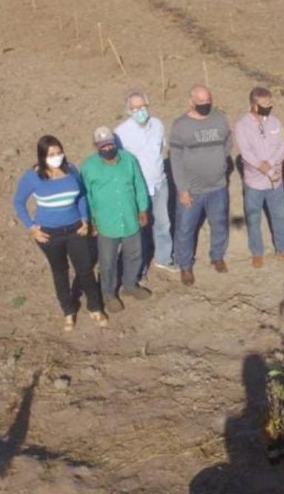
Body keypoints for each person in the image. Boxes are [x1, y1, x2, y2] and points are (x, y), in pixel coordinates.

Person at [13, 135, 107, 331]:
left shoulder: (71, 169)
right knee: (60, 272)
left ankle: (95, 307)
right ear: (42, 156)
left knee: (85, 270)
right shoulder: (33, 176)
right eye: (51, 154)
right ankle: (68, 310)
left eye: (59, 152)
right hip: (49, 234)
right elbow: (19, 202)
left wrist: (84, 218)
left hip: (75, 229)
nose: (56, 157)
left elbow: (81, 195)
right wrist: (31, 227)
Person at [170, 85, 233, 286]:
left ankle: (217, 256)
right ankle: (185, 266)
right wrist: (182, 189)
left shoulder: (219, 118)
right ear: (191, 101)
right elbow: (176, 160)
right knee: (185, 229)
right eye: (201, 102)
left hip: (217, 186)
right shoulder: (181, 125)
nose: (205, 105)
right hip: (192, 190)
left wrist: (219, 164)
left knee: (219, 224)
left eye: (208, 101)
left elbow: (227, 144)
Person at [82, 126, 151, 308]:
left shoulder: (129, 160)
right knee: (108, 261)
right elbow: (87, 195)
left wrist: (142, 209)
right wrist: (92, 220)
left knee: (134, 254)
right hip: (106, 222)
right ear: (96, 146)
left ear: (114, 143)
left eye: (109, 144)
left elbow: (139, 184)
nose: (107, 149)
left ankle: (130, 284)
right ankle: (109, 294)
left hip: (130, 217)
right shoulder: (89, 166)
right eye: (102, 146)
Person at [234, 86, 284, 267]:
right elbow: (247, 154)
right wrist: (267, 170)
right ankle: (257, 252)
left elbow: (281, 146)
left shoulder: (275, 122)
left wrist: (272, 165)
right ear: (254, 105)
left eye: (270, 103)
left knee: (278, 215)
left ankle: (282, 248)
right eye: (265, 104)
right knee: (254, 218)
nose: (269, 106)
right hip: (255, 183)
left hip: (275, 182)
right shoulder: (242, 125)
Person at [114, 90, 176, 275]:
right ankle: (138, 268)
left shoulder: (157, 125)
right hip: (137, 188)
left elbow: (160, 150)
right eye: (134, 108)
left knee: (163, 224)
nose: (139, 111)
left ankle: (164, 258)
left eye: (142, 107)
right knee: (139, 230)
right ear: (128, 111)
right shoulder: (120, 134)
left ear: (148, 107)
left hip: (159, 184)